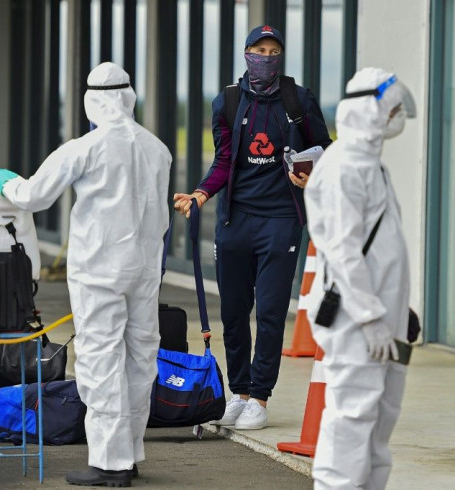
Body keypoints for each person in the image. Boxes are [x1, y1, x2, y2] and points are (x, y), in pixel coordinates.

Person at [0, 62, 171, 487]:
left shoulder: (85, 147)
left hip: (100, 271)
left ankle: (108, 462)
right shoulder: (158, 148)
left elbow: (33, 195)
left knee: (101, 362)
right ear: (129, 96)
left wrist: (3, 179)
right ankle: (130, 453)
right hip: (144, 270)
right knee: (140, 360)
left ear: (92, 99)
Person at [174, 25, 331, 430]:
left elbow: (324, 151)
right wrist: (200, 195)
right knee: (234, 312)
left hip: (282, 220)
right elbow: (224, 162)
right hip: (235, 222)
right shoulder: (227, 101)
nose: (266, 56)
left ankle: (259, 398)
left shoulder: (299, 99)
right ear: (246, 54)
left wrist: (309, 175)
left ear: (281, 56)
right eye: (259, 49)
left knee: (272, 313)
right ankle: (238, 392)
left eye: (273, 50)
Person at [304, 67, 415, 489]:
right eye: (393, 109)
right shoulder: (344, 167)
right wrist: (370, 316)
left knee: (377, 425)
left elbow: (381, 250)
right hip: (355, 321)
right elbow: (343, 250)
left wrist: (397, 311)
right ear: (370, 111)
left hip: (380, 319)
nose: (398, 116)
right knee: (351, 419)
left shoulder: (369, 164)